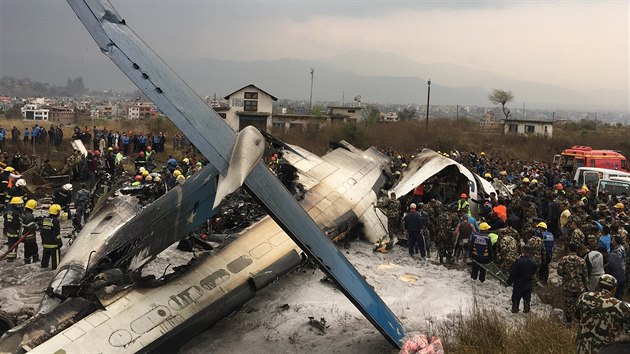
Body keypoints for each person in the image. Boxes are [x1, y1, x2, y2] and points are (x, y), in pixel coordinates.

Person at [576, 274, 630, 354]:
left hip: (583, 349)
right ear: (614, 290)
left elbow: (577, 316)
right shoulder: (622, 306)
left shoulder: (583, 297)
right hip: (608, 350)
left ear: (598, 285)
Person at [557, 243, 589, 322]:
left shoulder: (563, 259)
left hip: (567, 286)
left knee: (568, 305)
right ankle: (578, 321)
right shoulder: (582, 261)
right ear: (577, 250)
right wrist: (586, 287)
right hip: (579, 287)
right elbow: (585, 276)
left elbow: (559, 272)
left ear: (569, 249)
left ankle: (569, 322)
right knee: (579, 304)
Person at [507, 244, 538, 313]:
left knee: (515, 299)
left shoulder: (518, 261)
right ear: (530, 252)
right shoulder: (534, 263)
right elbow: (534, 273)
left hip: (518, 283)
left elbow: (513, 273)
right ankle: (526, 311)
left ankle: (515, 310)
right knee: (527, 300)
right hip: (528, 284)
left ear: (523, 251)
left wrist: (509, 282)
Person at [40, 204, 62, 270]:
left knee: (44, 263)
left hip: (46, 244)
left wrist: (43, 241)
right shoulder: (55, 221)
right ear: (57, 212)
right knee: (56, 267)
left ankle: (43, 268)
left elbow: (42, 232)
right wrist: (59, 242)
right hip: (54, 245)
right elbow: (57, 233)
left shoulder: (45, 219)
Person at [3, 197, 24, 262]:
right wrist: (18, 231)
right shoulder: (15, 213)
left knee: (11, 244)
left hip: (9, 230)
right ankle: (10, 259)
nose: (20, 205)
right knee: (13, 245)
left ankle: (12, 257)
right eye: (19, 204)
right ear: (14, 204)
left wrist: (5, 230)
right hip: (14, 231)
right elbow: (16, 223)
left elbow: (6, 221)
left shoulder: (9, 211)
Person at [22, 199, 39, 264]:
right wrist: (38, 225)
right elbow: (32, 228)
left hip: (24, 234)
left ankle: (28, 261)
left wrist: (35, 220)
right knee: (32, 248)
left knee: (28, 248)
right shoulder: (29, 216)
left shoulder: (24, 213)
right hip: (29, 236)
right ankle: (30, 261)